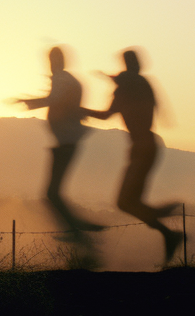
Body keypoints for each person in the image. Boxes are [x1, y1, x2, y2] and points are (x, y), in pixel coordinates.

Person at [89, 50, 184, 265]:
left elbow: (104, 115)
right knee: (129, 202)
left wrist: (76, 111)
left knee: (125, 202)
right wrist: (111, 78)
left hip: (143, 149)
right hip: (148, 147)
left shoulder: (125, 89)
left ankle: (165, 223)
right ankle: (166, 229)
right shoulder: (143, 85)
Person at [13, 46, 104, 241]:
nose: (50, 66)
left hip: (66, 142)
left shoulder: (62, 79)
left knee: (52, 193)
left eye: (51, 61)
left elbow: (53, 99)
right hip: (66, 142)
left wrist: (27, 102)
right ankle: (78, 228)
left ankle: (76, 231)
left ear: (56, 62)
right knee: (54, 192)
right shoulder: (71, 81)